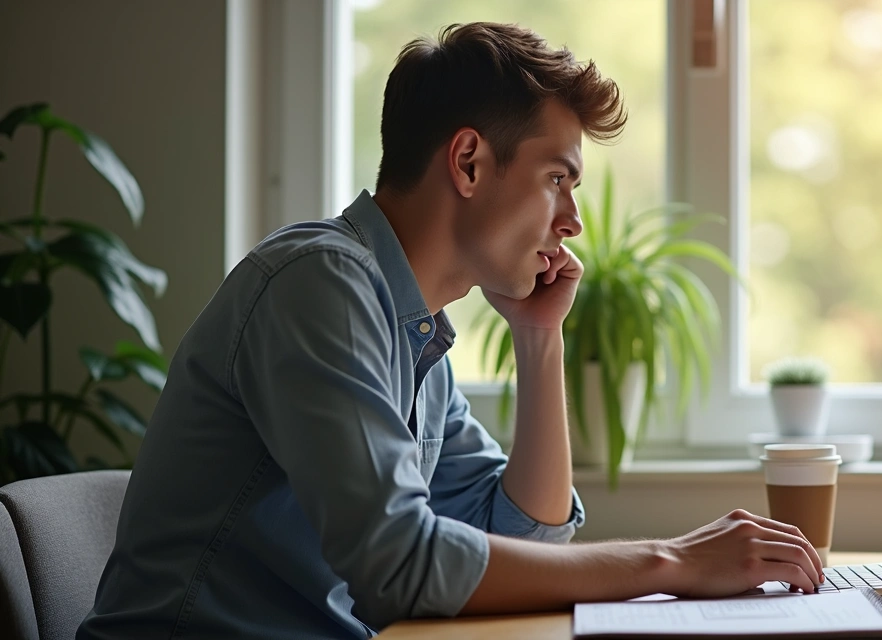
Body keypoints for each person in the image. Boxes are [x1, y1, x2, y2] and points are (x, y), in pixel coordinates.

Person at [77, 22, 824, 640]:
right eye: (557, 179)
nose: (574, 222)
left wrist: (539, 343)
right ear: (468, 161)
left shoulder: (415, 335)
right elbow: (404, 567)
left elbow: (524, 540)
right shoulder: (321, 286)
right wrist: (671, 561)